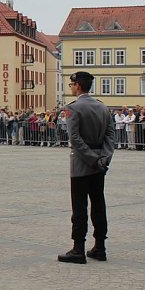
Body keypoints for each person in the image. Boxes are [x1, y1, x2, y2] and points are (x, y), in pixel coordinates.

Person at [58, 71, 115, 264]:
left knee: (79, 207)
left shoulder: (73, 108)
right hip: (100, 163)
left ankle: (78, 249)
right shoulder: (102, 107)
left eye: (71, 85)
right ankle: (100, 246)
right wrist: (104, 158)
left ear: (78, 86)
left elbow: (74, 138)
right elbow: (110, 136)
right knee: (99, 204)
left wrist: (90, 158)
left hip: (82, 163)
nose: (71, 88)